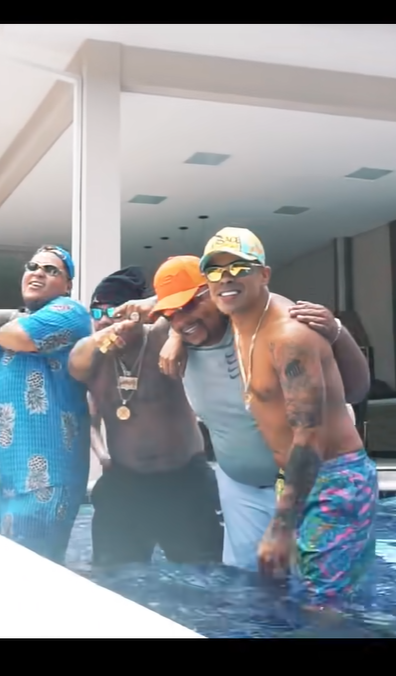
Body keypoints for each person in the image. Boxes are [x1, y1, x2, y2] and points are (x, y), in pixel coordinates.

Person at [111, 256, 371, 572]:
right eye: (171, 313)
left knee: (322, 589)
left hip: (310, 485)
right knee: (250, 586)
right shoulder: (175, 330)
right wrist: (172, 328)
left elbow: (356, 391)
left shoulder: (271, 326)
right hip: (240, 488)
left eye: (190, 305)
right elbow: (166, 312)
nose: (180, 320)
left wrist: (338, 332)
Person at [200, 227, 377, 604]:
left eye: (239, 268)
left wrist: (280, 524)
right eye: (215, 271)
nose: (226, 278)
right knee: (291, 594)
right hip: (294, 478)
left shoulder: (288, 336)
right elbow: (175, 305)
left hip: (333, 479)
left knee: (325, 603)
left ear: (264, 274)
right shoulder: (237, 315)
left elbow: (310, 435)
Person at [67, 267, 223, 566]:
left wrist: (157, 309)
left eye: (115, 311)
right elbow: (76, 367)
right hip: (126, 479)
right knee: (112, 575)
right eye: (97, 312)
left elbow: (210, 301)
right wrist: (103, 456)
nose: (105, 319)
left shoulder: (163, 338)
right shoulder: (93, 357)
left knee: (203, 573)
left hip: (183, 478)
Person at [0, 245, 93, 564]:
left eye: (51, 270)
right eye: (32, 266)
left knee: (34, 571)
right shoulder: (19, 321)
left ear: (68, 285)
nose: (38, 272)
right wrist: (10, 323)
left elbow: (23, 337)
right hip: (0, 477)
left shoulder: (71, 313)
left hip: (44, 478)